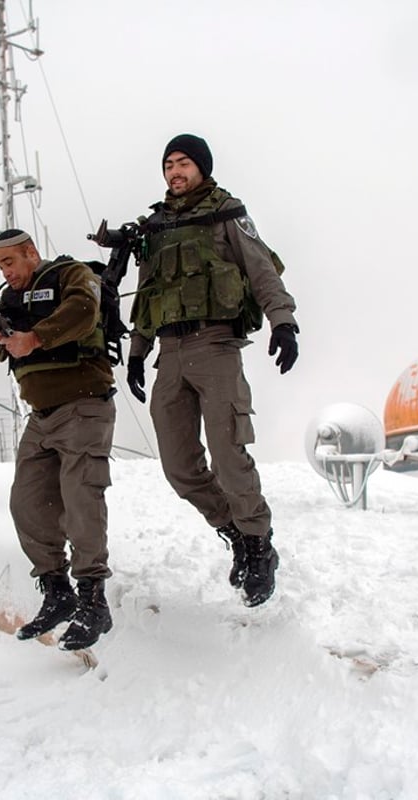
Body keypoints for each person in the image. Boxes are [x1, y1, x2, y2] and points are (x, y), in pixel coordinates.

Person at [125, 133, 299, 608]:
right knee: (179, 466)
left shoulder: (227, 213)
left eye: (183, 163)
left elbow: (262, 271)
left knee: (228, 455)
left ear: (201, 167)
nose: (174, 171)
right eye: (168, 165)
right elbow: (147, 292)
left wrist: (283, 322)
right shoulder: (156, 227)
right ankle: (235, 533)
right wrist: (137, 352)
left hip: (216, 346)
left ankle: (259, 545)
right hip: (169, 354)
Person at [0, 229, 116, 651]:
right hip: (40, 417)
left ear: (31, 253)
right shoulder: (9, 300)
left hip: (84, 403)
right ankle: (57, 590)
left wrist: (34, 337)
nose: (6, 271)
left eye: (10, 262)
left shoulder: (69, 275)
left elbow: (83, 310)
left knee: (80, 496)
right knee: (27, 503)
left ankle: (93, 598)